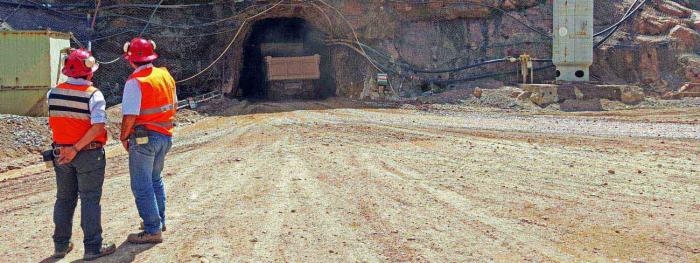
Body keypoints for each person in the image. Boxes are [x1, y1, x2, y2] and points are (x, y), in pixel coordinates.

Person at [48, 48, 116, 260]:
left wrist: (68, 149)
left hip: (61, 154)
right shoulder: (94, 95)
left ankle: (60, 245)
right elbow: (97, 127)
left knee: (64, 199)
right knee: (89, 199)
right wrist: (76, 148)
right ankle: (93, 247)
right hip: (87, 153)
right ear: (89, 72)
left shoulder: (53, 93)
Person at [119, 37, 177, 244]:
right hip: (165, 135)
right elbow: (174, 105)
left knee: (141, 184)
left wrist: (124, 136)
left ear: (130, 60)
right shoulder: (165, 75)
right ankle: (159, 221)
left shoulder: (136, 82)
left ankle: (153, 230)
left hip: (144, 139)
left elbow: (130, 116)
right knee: (155, 179)